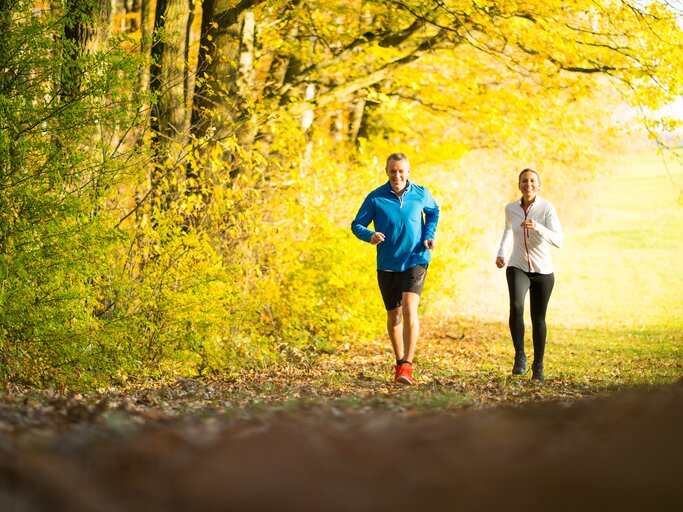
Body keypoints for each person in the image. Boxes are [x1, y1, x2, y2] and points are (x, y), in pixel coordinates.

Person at [351, 153, 440, 385]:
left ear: (408, 172)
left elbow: (433, 211)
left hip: (416, 257)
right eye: (393, 171)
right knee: (394, 315)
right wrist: (369, 235)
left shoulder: (421, 193)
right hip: (388, 263)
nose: (397, 175)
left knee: (410, 308)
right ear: (387, 171)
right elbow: (356, 224)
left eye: (401, 171)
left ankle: (408, 366)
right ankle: (399, 362)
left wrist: (429, 235)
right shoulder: (375, 198)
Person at [496, 168, 563, 382]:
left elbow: (559, 240)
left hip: (543, 271)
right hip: (517, 266)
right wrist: (500, 253)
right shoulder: (510, 209)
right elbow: (509, 231)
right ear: (519, 185)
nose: (528, 185)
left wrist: (537, 227)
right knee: (516, 307)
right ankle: (520, 356)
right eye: (524, 181)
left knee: (538, 318)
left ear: (539, 185)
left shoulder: (547, 209)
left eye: (533, 181)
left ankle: (539, 366)